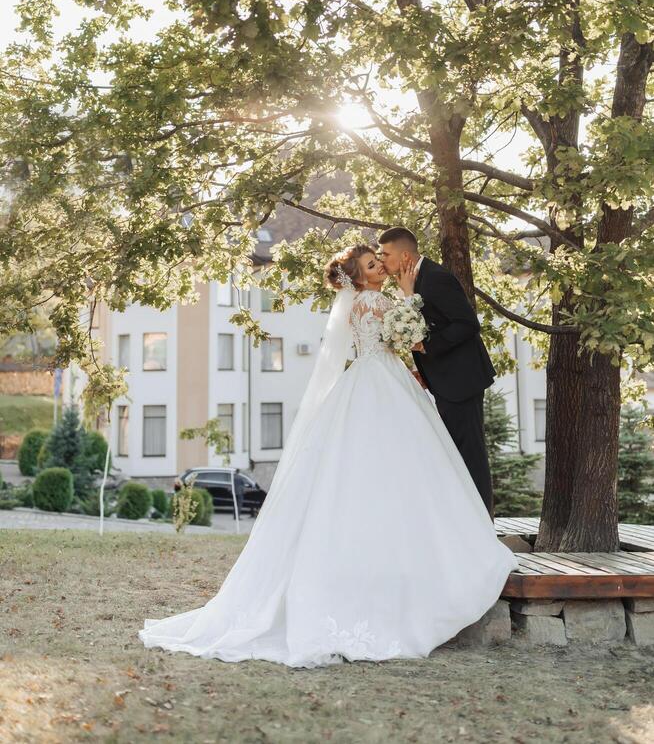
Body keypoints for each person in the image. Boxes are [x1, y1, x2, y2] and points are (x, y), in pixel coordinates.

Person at [139, 244, 517, 668]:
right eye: (373, 266)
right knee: (403, 469)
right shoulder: (375, 301)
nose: (381, 268)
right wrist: (410, 297)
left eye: (380, 262)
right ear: (359, 278)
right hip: (383, 383)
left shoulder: (361, 302)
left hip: (374, 379)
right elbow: (406, 338)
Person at [377, 227, 496, 516]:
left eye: (385, 254)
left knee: (471, 455)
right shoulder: (413, 280)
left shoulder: (436, 278)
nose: (382, 260)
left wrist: (426, 347)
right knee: (456, 454)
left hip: (461, 381)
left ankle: (482, 526)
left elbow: (467, 324)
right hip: (444, 381)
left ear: (404, 255)